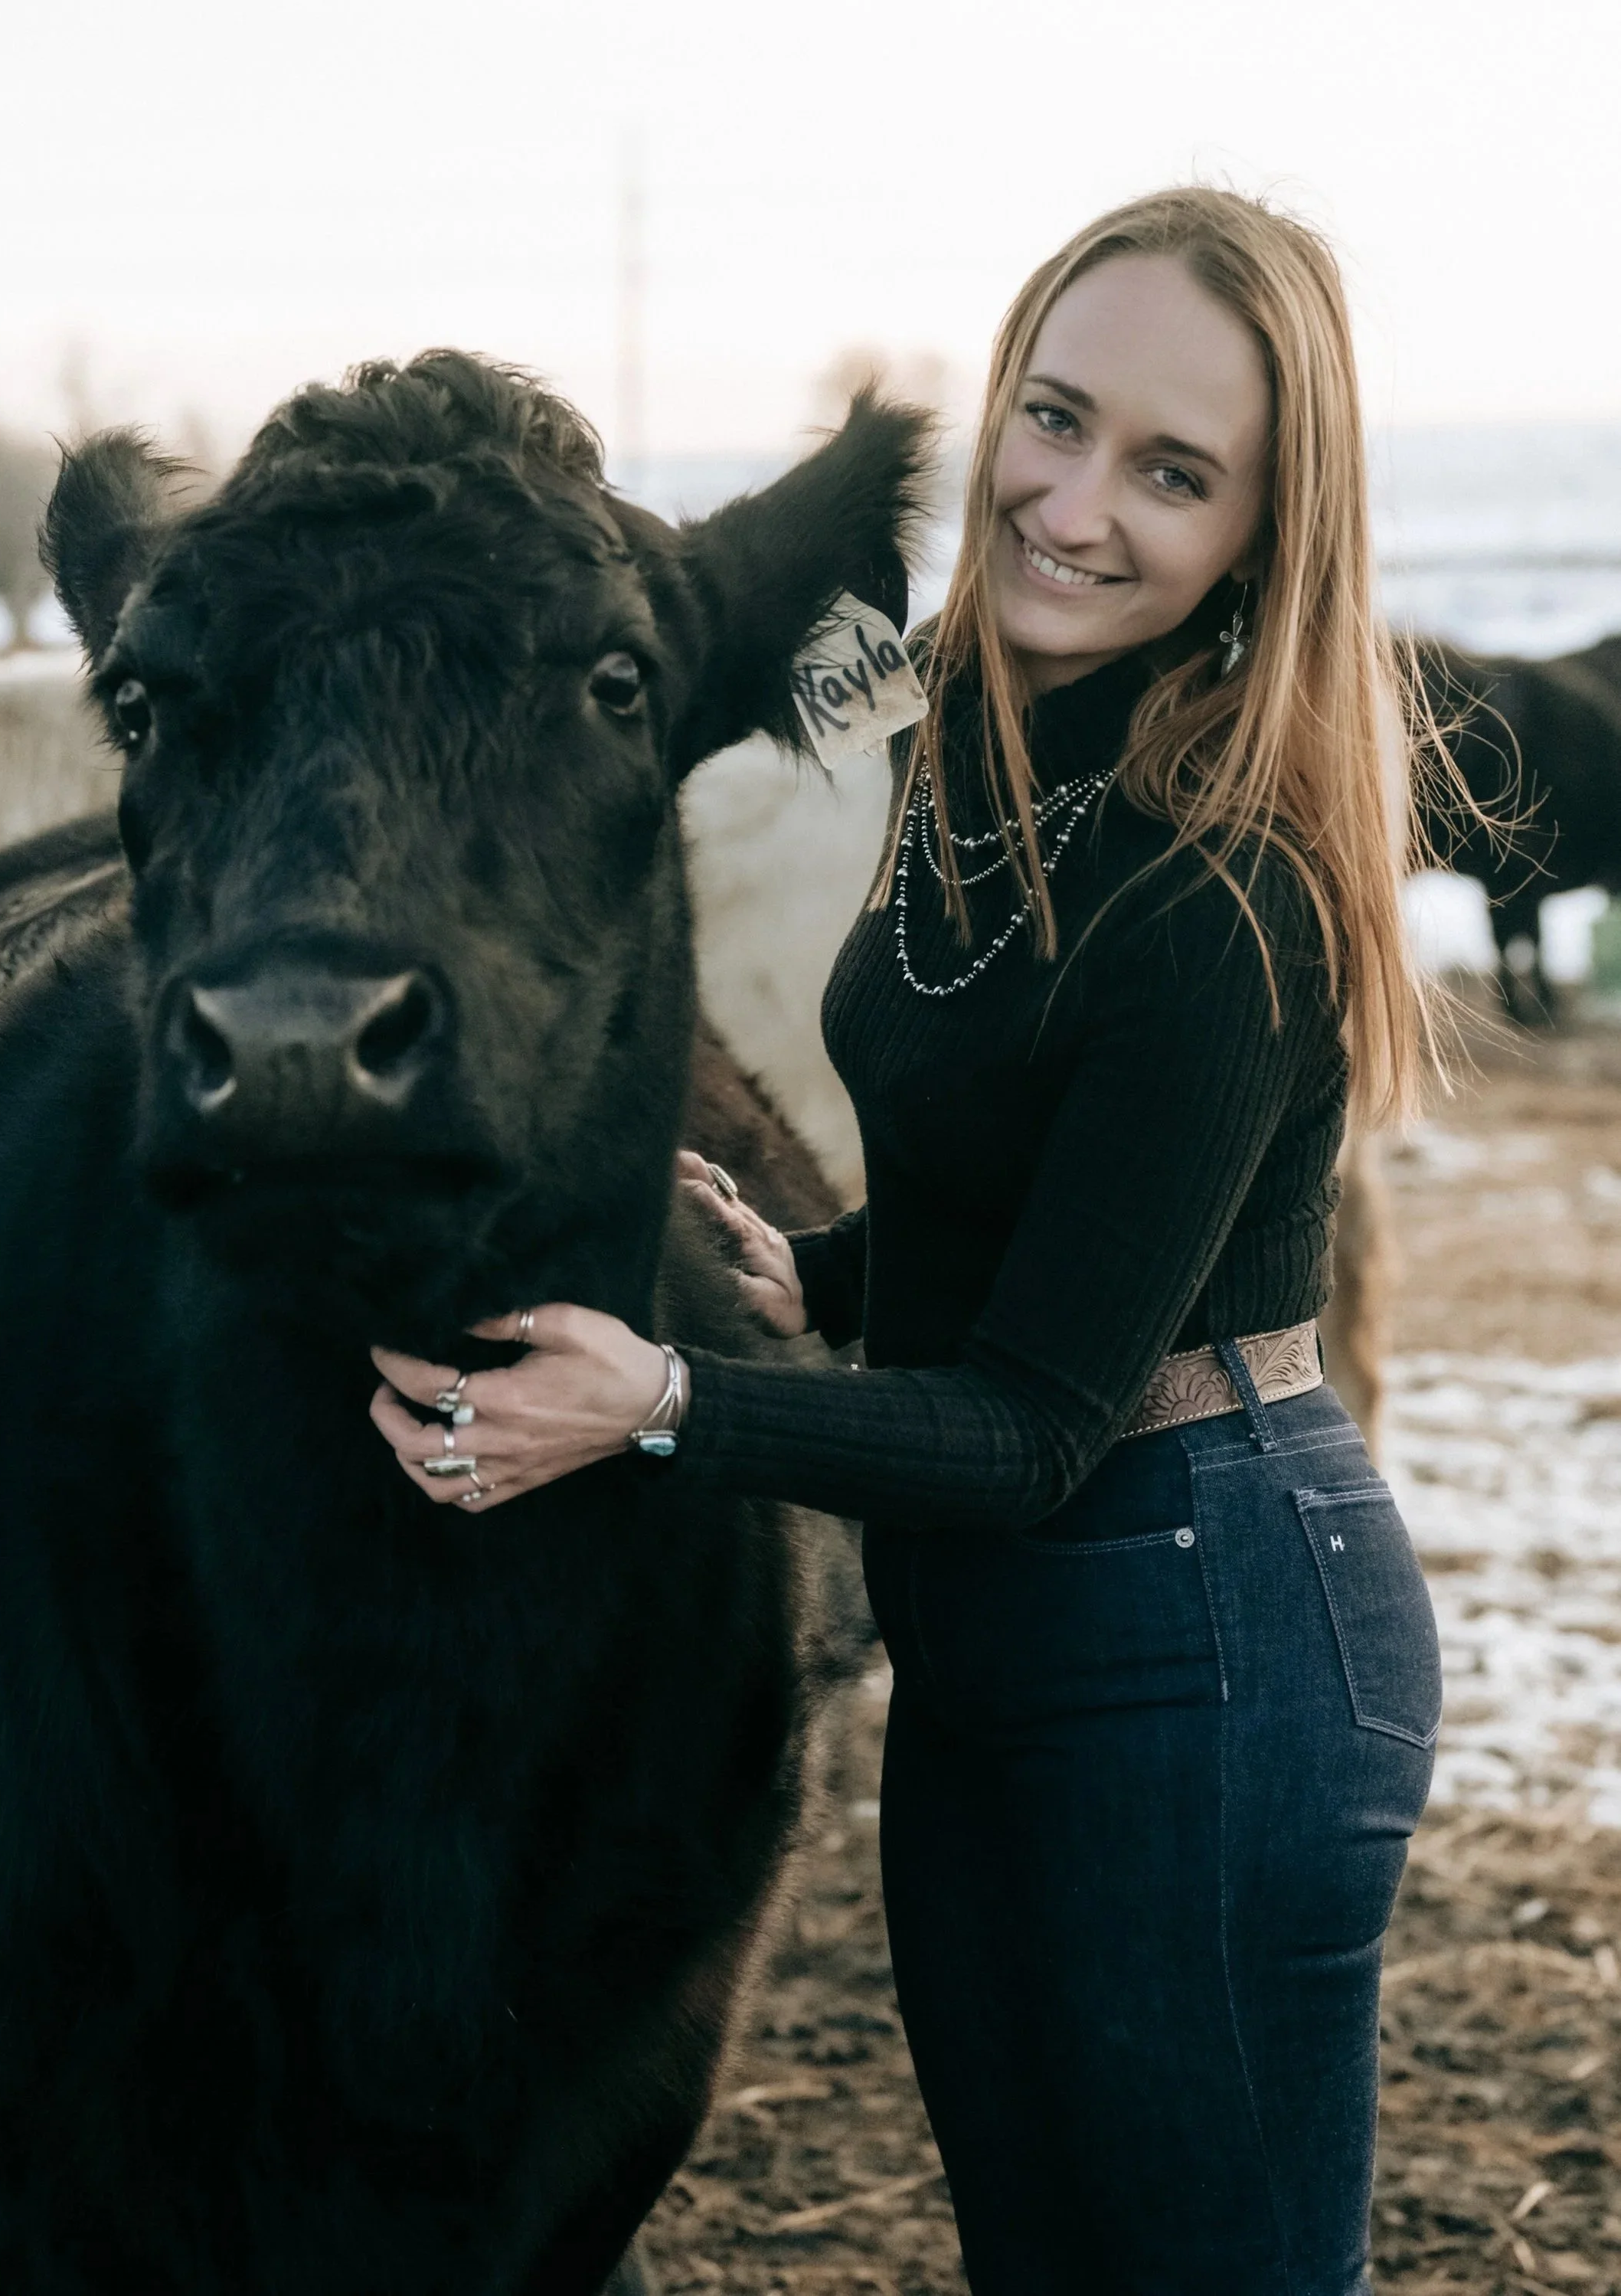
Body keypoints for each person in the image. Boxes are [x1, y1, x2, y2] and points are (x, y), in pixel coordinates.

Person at [370, 186, 1445, 2295]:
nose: (1071, 504)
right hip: (1000, 1638)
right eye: (1051, 418)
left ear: (1266, 528)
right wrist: (819, 1278)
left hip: (1208, 1622)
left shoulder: (1224, 886)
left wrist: (668, 1398)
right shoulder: (969, 734)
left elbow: (1043, 1419)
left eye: (1171, 472)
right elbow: (1022, 1186)